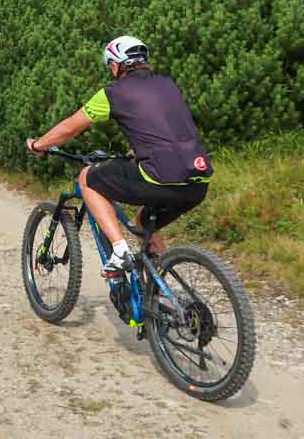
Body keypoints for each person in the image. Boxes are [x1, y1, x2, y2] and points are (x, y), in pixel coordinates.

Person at [26, 35, 212, 277]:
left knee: (87, 179)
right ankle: (158, 299)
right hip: (197, 180)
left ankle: (119, 250)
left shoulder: (113, 93)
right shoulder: (168, 84)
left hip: (160, 177)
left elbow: (71, 127)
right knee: (145, 223)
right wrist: (138, 153)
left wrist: (39, 145)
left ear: (115, 66)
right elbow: (167, 127)